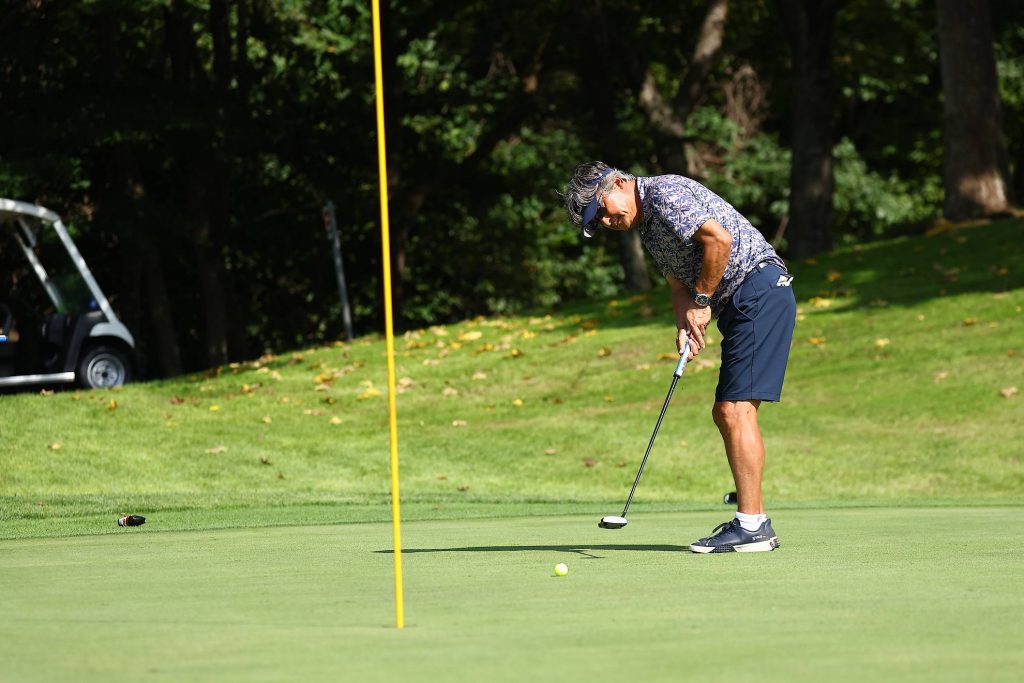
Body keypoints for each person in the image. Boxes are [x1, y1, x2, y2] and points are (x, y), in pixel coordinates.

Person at [562, 161, 796, 553]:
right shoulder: (649, 227)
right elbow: (676, 285)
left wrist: (702, 302)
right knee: (728, 412)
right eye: (596, 220)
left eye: (601, 209)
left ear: (617, 183)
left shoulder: (664, 195)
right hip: (744, 300)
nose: (605, 221)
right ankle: (753, 522)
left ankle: (753, 526)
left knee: (734, 410)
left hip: (759, 289)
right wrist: (686, 322)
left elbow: (719, 241)